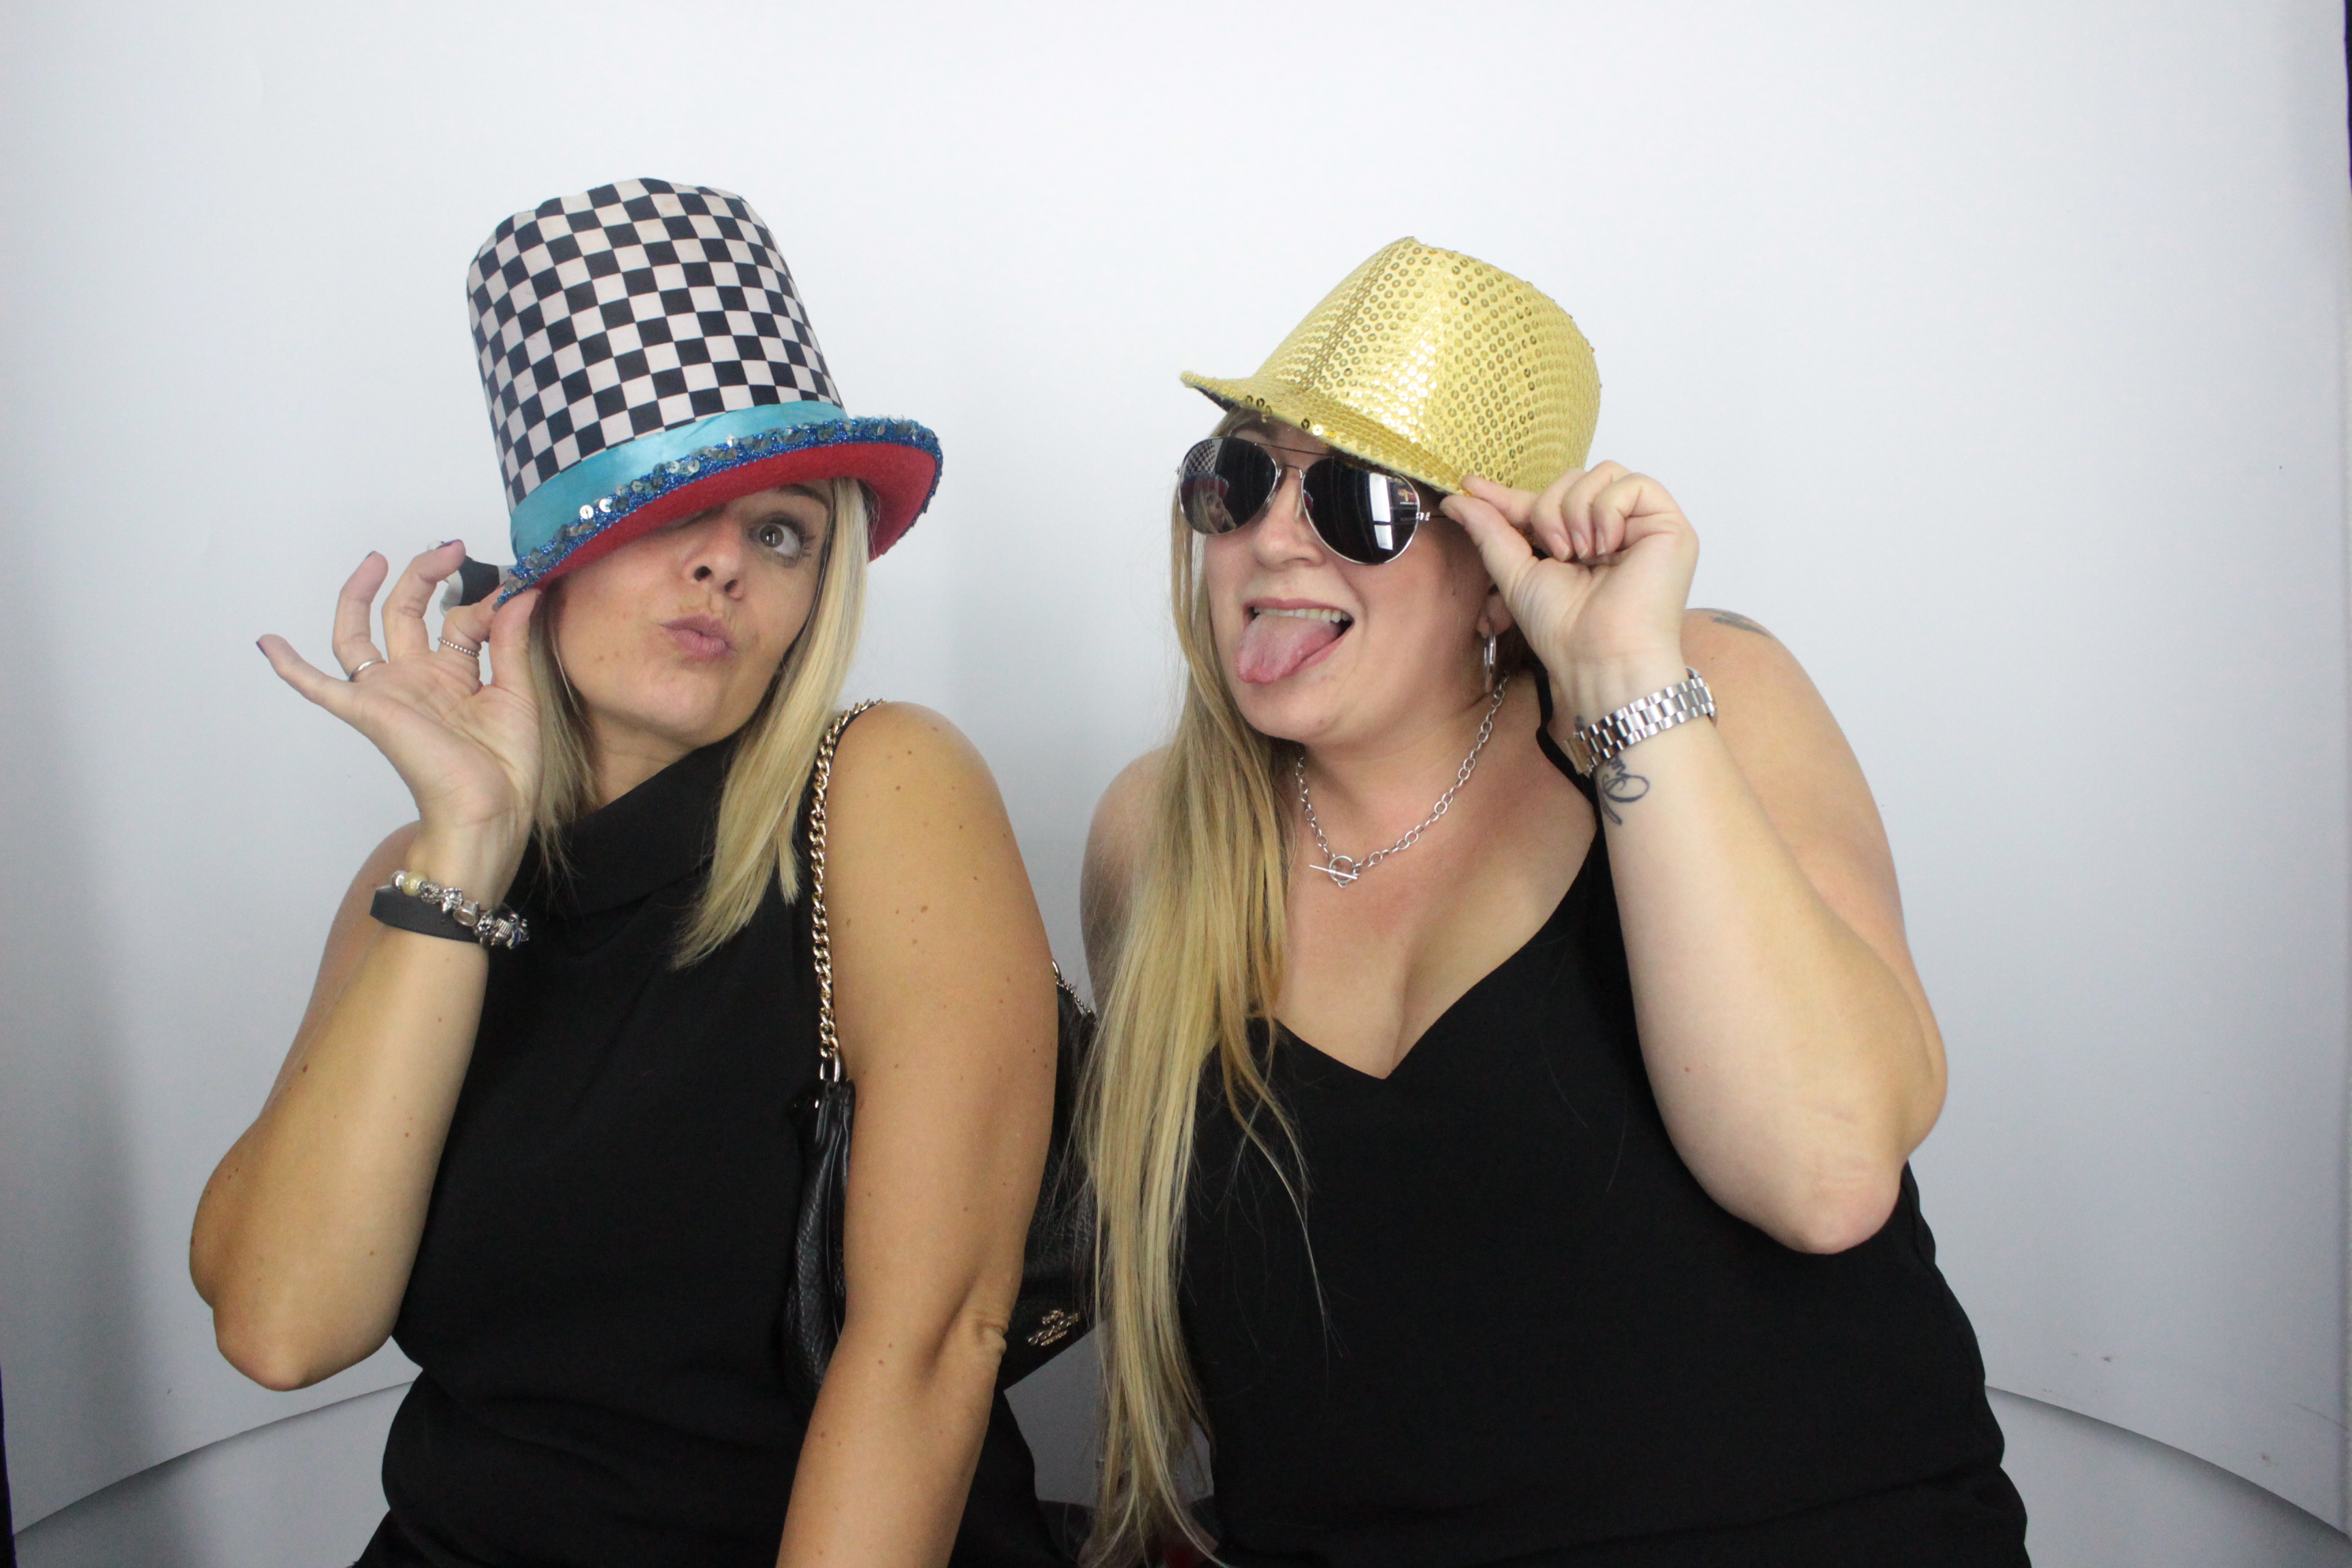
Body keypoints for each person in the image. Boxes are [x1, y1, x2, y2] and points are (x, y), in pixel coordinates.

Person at [1078, 239, 2029, 1568]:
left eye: (1358, 498)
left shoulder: (1700, 692)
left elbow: (1824, 1180)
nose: (1271, 537)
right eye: (1235, 478)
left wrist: (1622, 673)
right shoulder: (1161, 839)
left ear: (1494, 567)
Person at [191, 179, 1067, 1568]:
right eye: (670, 511)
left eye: (780, 532)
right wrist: (464, 839)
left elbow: (934, 1339)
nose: (724, 565)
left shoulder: (882, 786)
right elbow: (284, 1327)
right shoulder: (418, 881)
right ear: (546, 566)